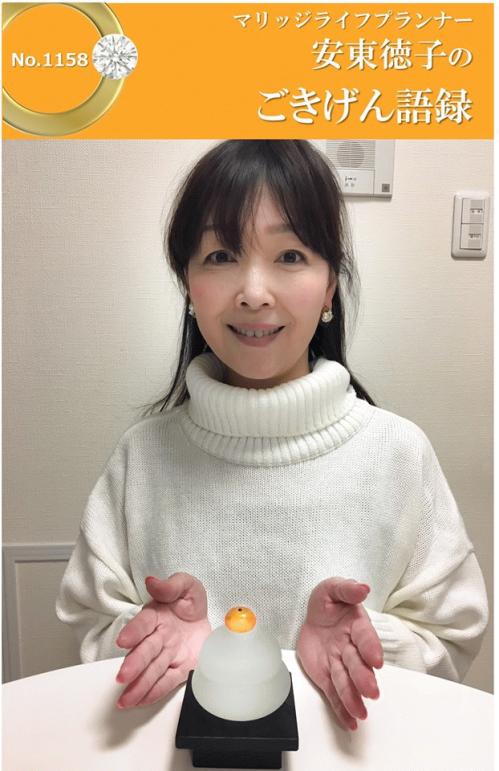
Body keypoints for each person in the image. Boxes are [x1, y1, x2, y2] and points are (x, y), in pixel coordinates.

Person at [56, 140, 488, 732]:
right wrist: (157, 639)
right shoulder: (143, 457)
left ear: (330, 286)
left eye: (290, 255)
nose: (254, 292)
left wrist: (367, 643)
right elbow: (89, 628)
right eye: (221, 255)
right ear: (188, 283)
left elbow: (452, 634)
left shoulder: (397, 454)